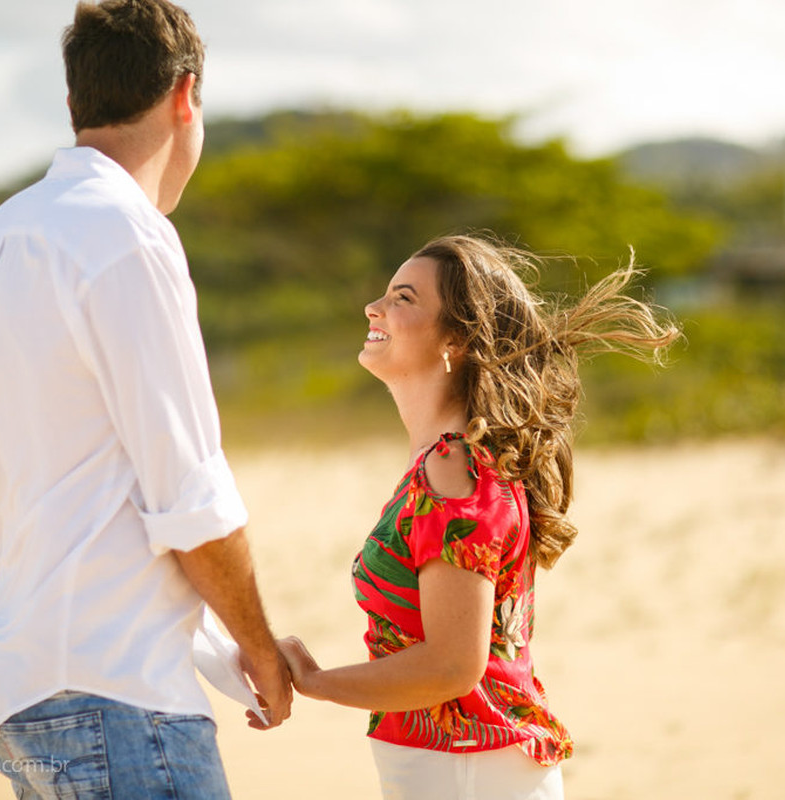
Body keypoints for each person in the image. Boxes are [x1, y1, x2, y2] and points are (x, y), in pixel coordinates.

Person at [0, 1, 291, 796]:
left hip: (18, 685)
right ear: (186, 96)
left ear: (74, 104)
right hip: (119, 688)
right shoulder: (128, 234)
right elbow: (190, 496)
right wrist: (261, 648)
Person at [277, 234, 680, 799]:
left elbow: (450, 666)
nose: (375, 307)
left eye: (404, 299)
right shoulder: (446, 461)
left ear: (457, 340)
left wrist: (316, 683)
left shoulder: (453, 467)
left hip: (471, 776)